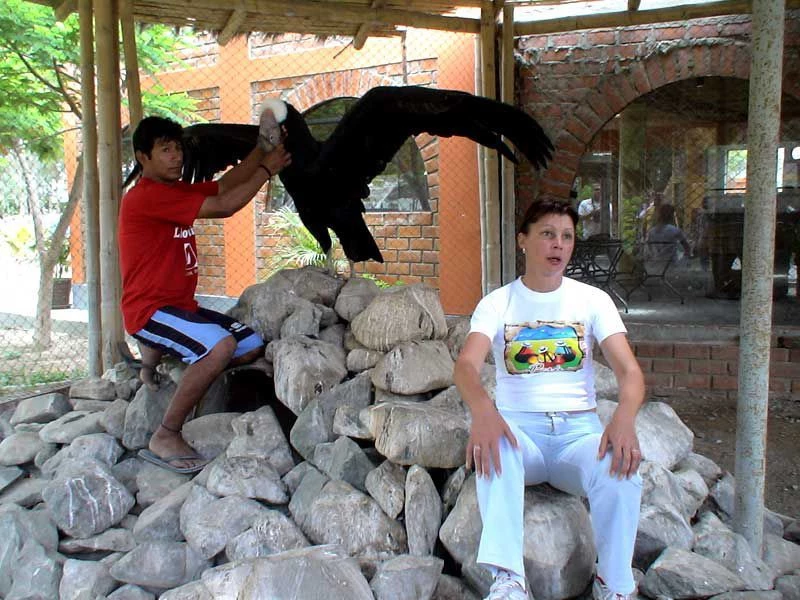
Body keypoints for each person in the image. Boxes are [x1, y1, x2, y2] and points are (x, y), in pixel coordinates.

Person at [453, 197, 645, 600]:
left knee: (621, 468)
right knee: (495, 450)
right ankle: (508, 581)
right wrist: (483, 412)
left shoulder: (593, 301)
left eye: (567, 236)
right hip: (521, 433)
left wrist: (624, 418)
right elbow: (466, 366)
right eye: (547, 234)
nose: (558, 244)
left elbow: (629, 371)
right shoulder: (497, 303)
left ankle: (613, 584)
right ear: (522, 240)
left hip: (579, 435)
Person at [118, 115, 291, 473]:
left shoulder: (174, 190)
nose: (176, 156)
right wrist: (266, 170)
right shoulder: (147, 197)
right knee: (219, 347)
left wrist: (261, 150)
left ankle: (165, 361)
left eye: (177, 148)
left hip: (180, 307)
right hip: (149, 311)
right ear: (142, 157)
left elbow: (225, 186)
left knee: (249, 345)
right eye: (165, 150)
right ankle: (166, 434)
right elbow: (225, 206)